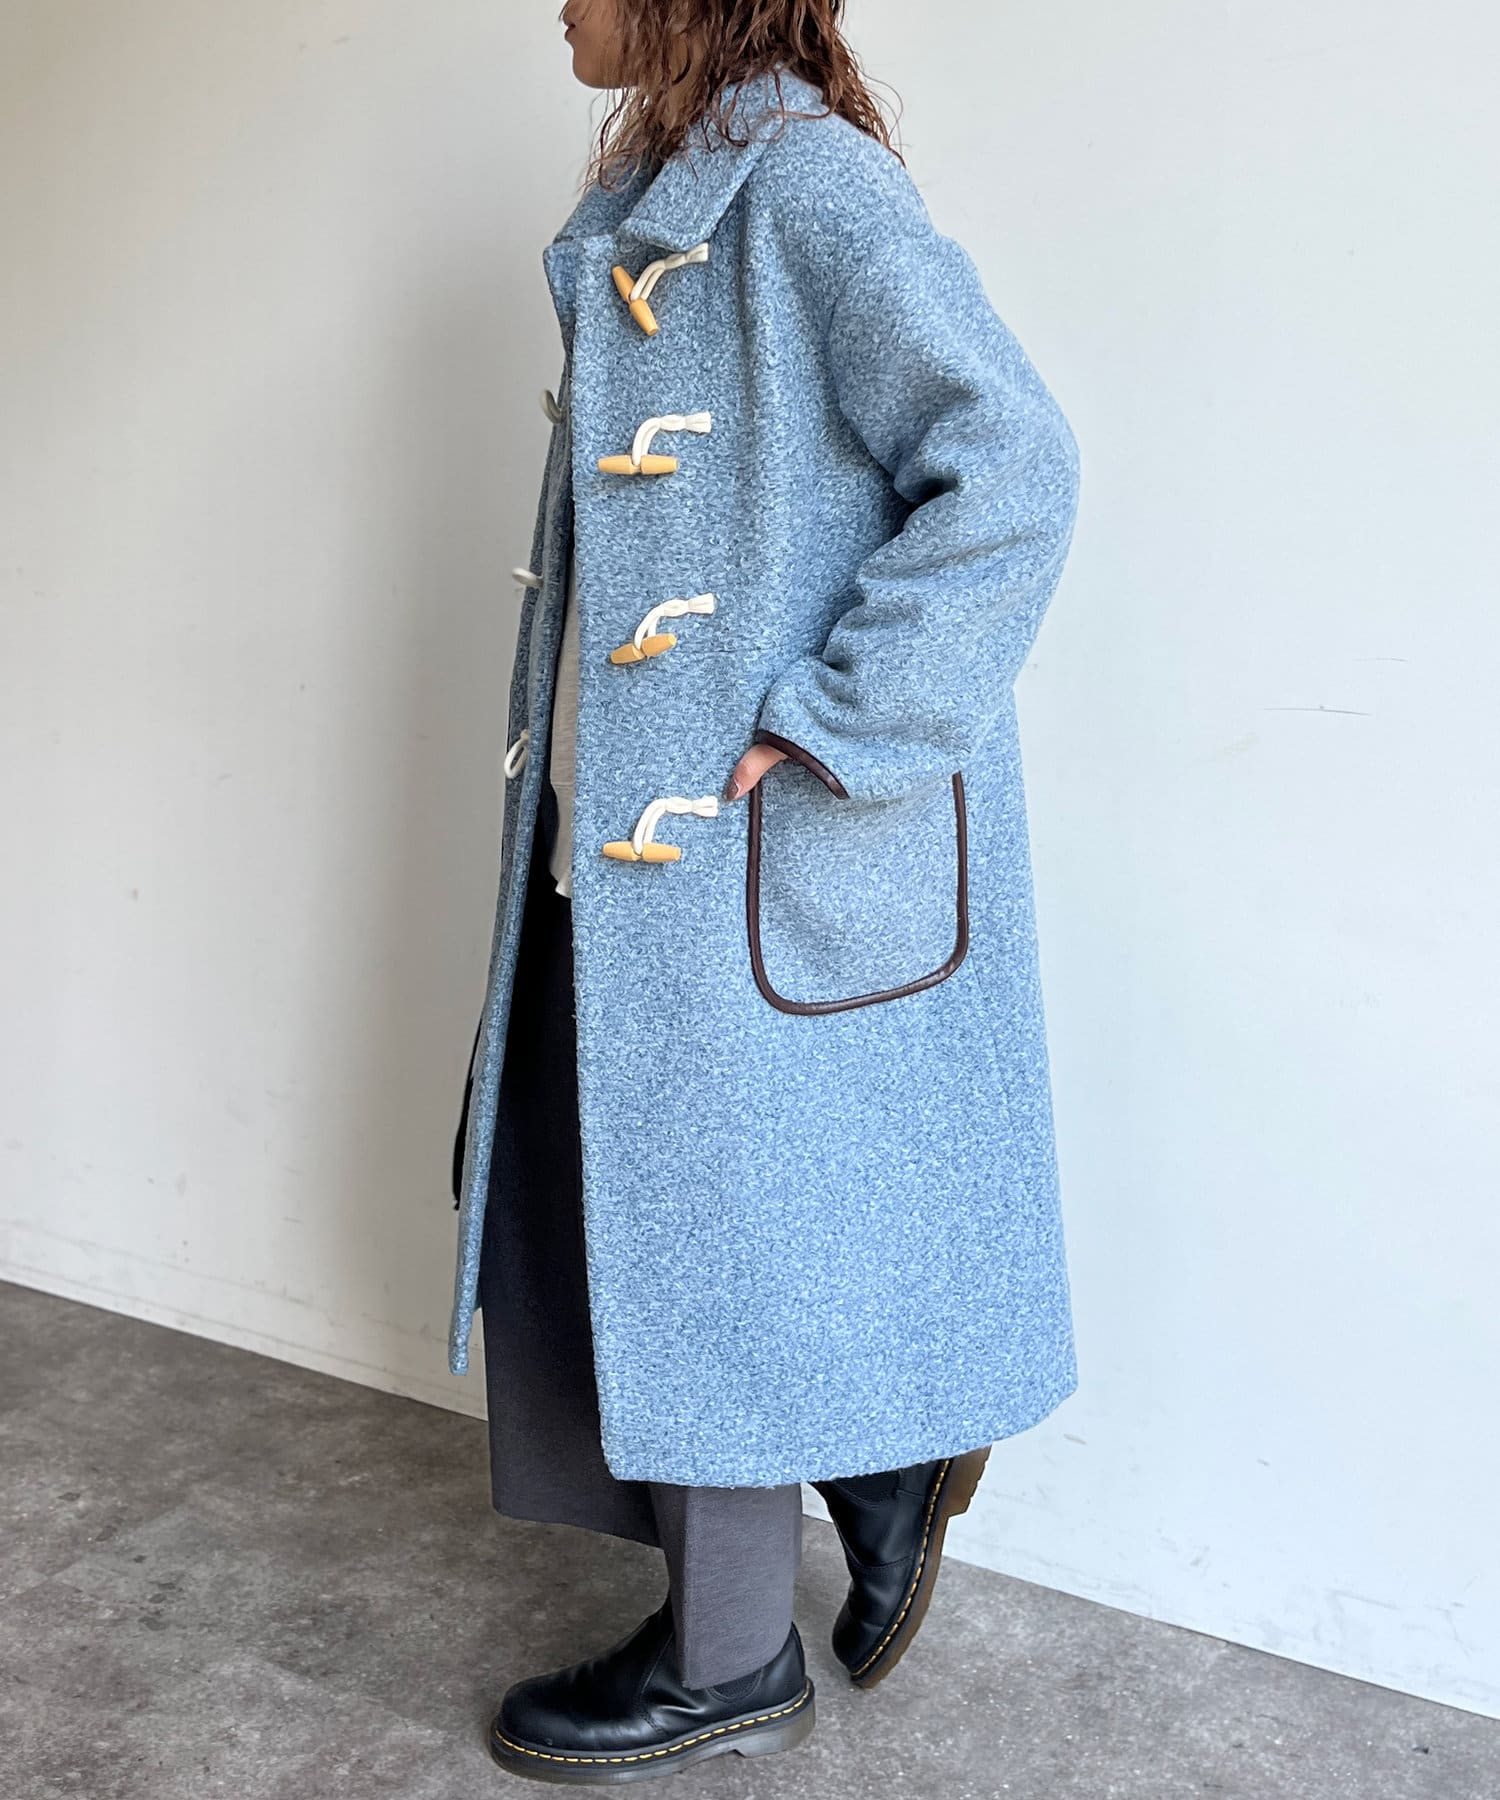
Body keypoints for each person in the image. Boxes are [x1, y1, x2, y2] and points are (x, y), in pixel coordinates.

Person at [448, 0, 1083, 1780]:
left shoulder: (806, 190)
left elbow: (1016, 465)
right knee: (625, 1193)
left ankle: (729, 1663)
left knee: (701, 1228)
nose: (557, 3)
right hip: (641, 835)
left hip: (741, 841)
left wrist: (838, 719)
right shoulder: (681, 195)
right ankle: (879, 1459)